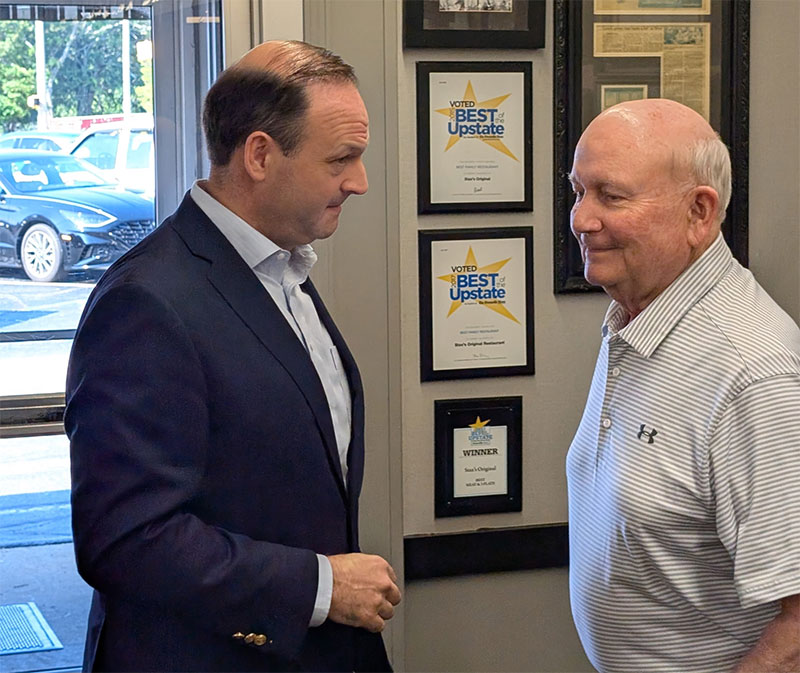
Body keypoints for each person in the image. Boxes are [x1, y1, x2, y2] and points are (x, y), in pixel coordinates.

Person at [65, 40, 401, 672]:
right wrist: (322, 587)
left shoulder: (282, 269)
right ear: (259, 155)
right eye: (342, 159)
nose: (359, 182)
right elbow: (124, 539)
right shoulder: (147, 302)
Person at [566, 98, 800, 673]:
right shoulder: (639, 315)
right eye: (578, 191)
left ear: (699, 212)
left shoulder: (752, 372)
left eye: (611, 196)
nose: (580, 219)